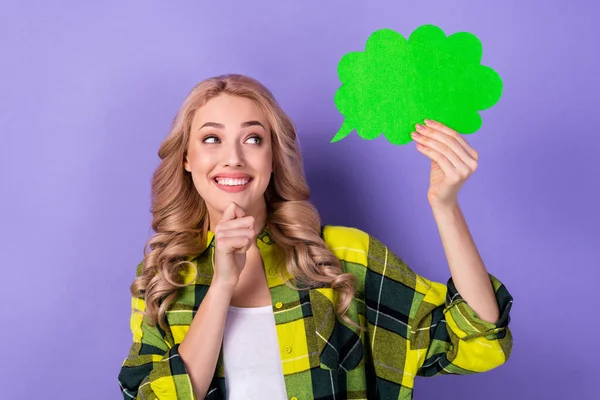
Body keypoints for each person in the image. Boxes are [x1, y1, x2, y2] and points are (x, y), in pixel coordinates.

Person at [117, 74, 513, 400]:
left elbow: (480, 342)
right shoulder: (166, 275)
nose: (234, 157)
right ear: (187, 158)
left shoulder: (341, 257)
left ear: (273, 157)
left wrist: (446, 207)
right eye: (211, 139)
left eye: (253, 139)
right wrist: (222, 284)